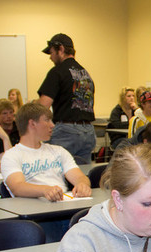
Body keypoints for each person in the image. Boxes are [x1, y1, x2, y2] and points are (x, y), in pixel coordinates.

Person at [1, 103, 91, 242]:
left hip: (66, 211)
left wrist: (83, 184)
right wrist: (45, 190)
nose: (52, 125)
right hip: (37, 218)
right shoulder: (12, 155)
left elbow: (79, 176)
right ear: (32, 123)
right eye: (47, 120)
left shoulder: (58, 151)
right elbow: (17, 187)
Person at [37, 33, 96, 165]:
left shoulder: (57, 72)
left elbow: (42, 108)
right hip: (88, 131)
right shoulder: (85, 74)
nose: (51, 58)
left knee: (57, 172)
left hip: (66, 132)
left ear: (61, 49)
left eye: (52, 53)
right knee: (81, 174)